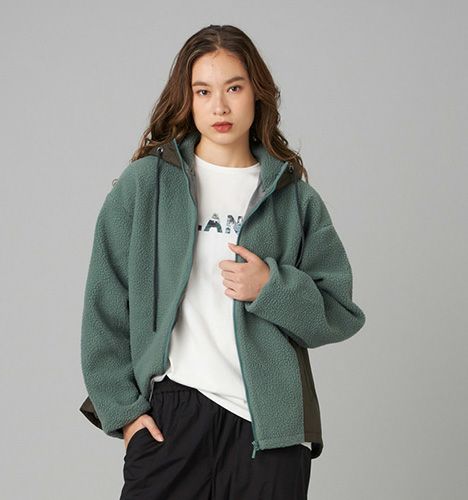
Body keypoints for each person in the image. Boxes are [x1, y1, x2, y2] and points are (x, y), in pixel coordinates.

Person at [79, 24, 366, 500]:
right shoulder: (146, 185)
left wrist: (271, 287)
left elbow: (339, 311)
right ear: (187, 100)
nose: (220, 107)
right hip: (171, 420)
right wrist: (125, 414)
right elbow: (104, 304)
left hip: (269, 431)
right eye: (203, 91)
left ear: (257, 93)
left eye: (234, 88)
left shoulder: (294, 199)